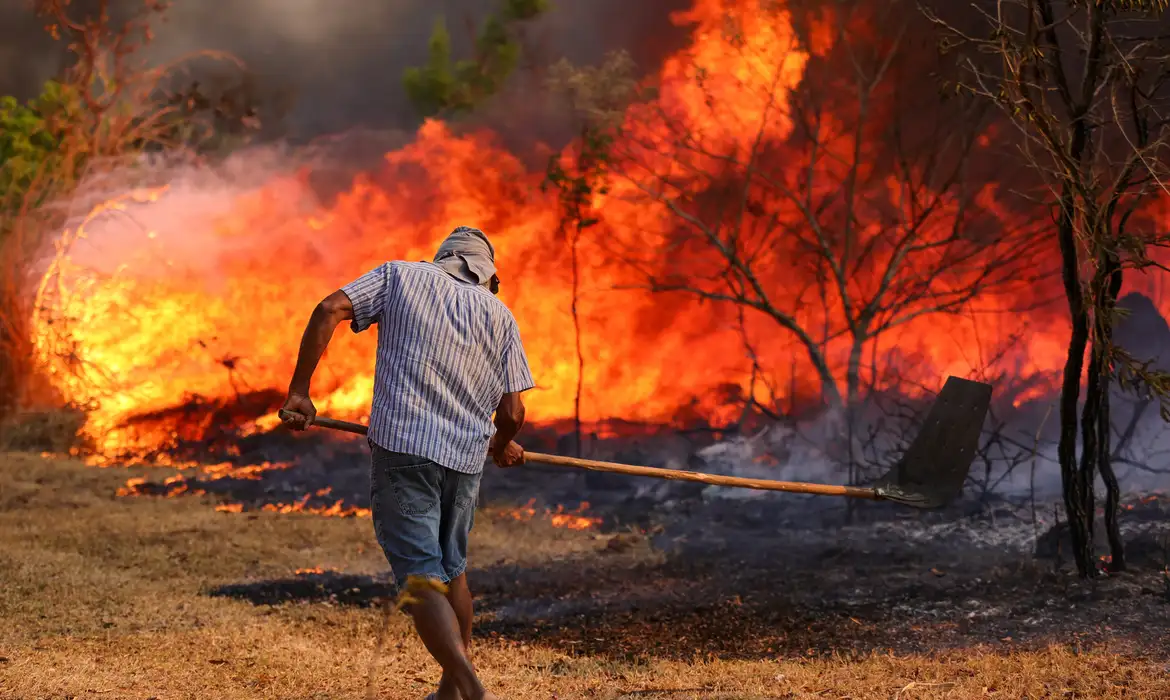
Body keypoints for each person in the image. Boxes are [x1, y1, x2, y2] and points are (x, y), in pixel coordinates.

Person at [280, 225, 533, 700]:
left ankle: (469, 686)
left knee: (420, 574)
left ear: (441, 259)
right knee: (452, 569)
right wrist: (501, 444)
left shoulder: (400, 277)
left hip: (405, 450)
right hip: (463, 461)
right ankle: (450, 694)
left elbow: (329, 308)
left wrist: (300, 391)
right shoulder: (501, 316)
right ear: (488, 276)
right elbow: (514, 413)